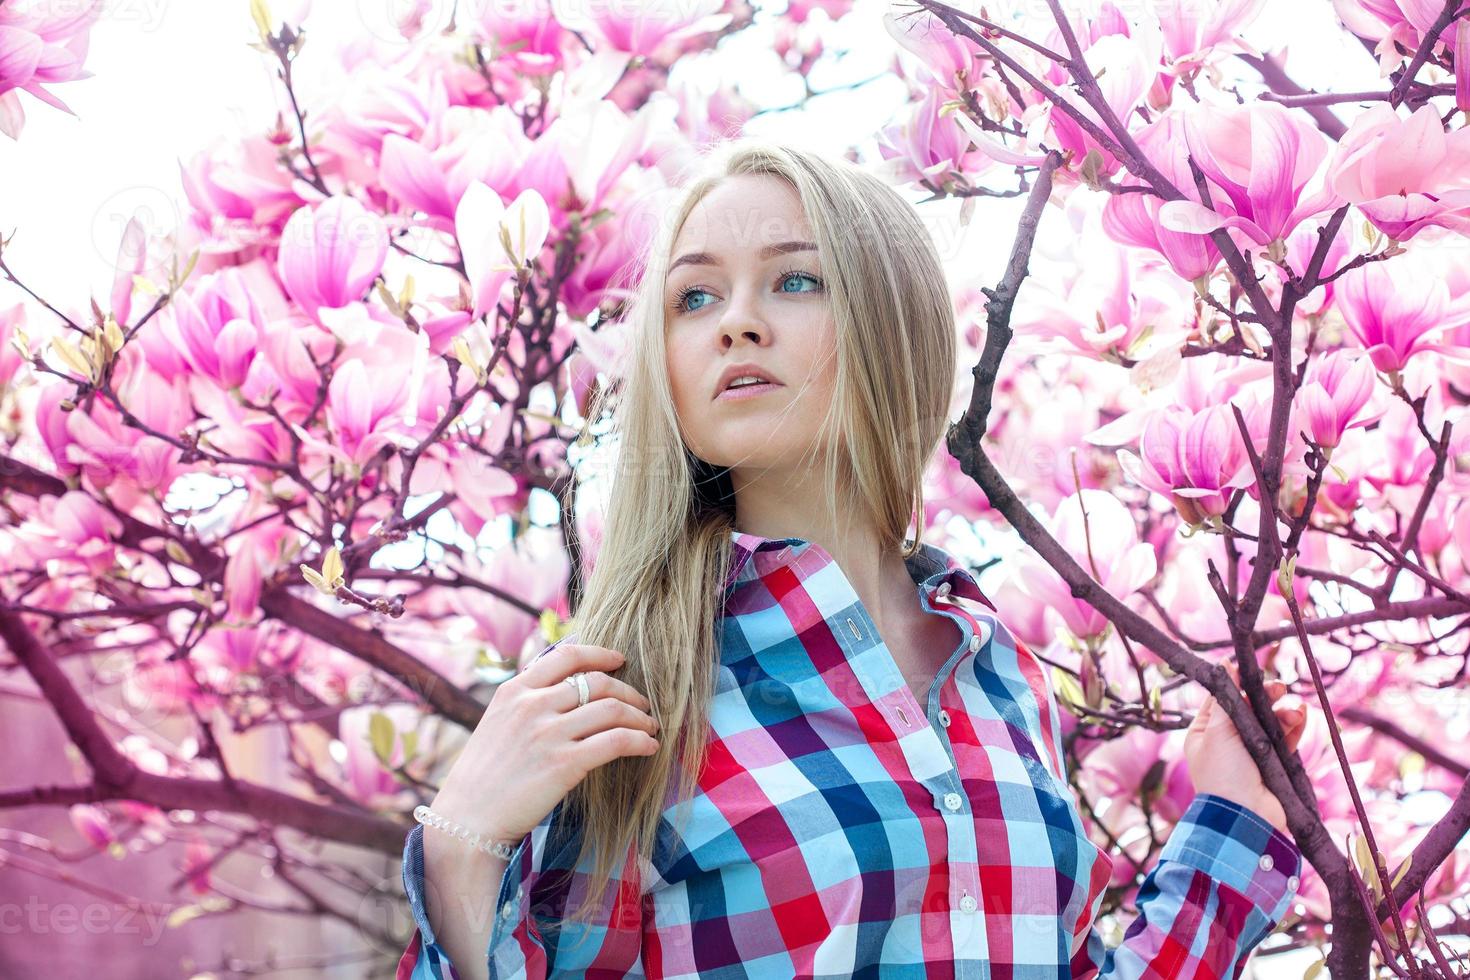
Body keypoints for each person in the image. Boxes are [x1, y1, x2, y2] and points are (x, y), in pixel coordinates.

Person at [396, 138, 1309, 979]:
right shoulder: (634, 691)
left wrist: (1233, 819)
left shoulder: (997, 672)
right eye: (695, 297)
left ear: (893, 322)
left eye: (795, 282)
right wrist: (460, 842)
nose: (736, 325)